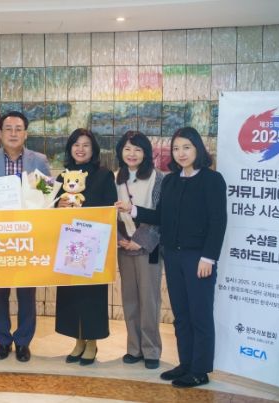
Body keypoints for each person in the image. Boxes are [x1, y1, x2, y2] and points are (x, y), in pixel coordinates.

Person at [116, 126, 227, 388]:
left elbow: (218, 221)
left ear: (198, 149)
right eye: (176, 148)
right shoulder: (172, 181)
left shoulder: (212, 180)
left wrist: (209, 258)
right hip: (173, 257)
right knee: (181, 314)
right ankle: (185, 363)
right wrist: (133, 210)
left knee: (199, 314)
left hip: (198, 258)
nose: (181, 153)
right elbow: (161, 217)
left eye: (187, 147)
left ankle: (200, 370)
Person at [0, 111, 50, 362]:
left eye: (18, 129)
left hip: (28, 236)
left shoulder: (39, 161)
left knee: (27, 291)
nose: (13, 133)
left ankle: (23, 341)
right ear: (0, 133)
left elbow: (47, 197)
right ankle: (3, 340)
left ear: (25, 133)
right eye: (8, 129)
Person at [55, 128, 117, 366]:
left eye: (86, 145)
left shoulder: (104, 175)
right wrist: (58, 206)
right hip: (68, 245)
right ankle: (78, 340)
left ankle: (92, 342)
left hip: (94, 244)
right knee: (71, 295)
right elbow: (50, 207)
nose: (80, 149)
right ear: (70, 148)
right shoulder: (63, 177)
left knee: (92, 296)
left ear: (93, 149)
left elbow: (110, 208)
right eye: (76, 144)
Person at [115, 131, 164, 370]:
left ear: (146, 153)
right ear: (120, 152)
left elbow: (161, 214)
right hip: (124, 247)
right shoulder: (116, 177)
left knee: (149, 300)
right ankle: (134, 348)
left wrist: (140, 240)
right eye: (127, 149)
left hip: (149, 248)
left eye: (137, 149)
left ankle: (151, 349)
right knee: (130, 300)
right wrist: (121, 239)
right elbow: (110, 212)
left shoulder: (158, 177)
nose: (132, 154)